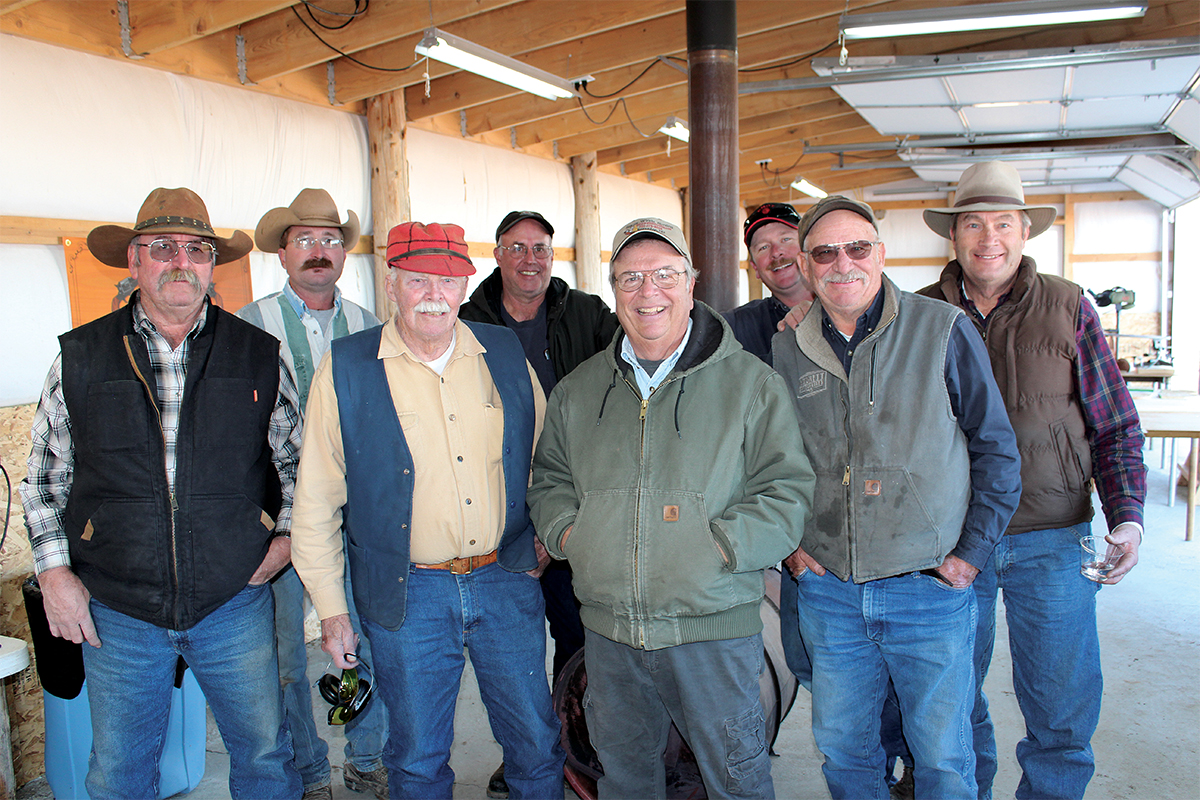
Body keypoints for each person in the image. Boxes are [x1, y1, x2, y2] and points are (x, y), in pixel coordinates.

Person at [19, 187, 303, 799]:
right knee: (119, 773)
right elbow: (44, 479)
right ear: (133, 261)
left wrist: (283, 543)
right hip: (119, 608)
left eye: (196, 249)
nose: (181, 261)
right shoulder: (81, 358)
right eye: (162, 247)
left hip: (233, 600)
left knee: (263, 757)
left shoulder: (258, 356)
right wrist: (55, 575)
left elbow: (299, 465)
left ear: (210, 263)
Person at [529, 217, 815, 799]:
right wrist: (571, 534)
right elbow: (550, 478)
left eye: (664, 274)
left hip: (712, 630)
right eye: (630, 278)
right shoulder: (579, 392)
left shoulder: (749, 384)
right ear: (613, 291)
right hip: (611, 636)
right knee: (627, 780)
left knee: (735, 780)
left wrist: (720, 546)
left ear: (692, 283)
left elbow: (786, 490)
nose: (647, 291)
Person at [290, 221, 566, 799]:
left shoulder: (505, 353)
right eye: (418, 280)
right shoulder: (346, 368)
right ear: (392, 284)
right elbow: (315, 499)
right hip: (408, 591)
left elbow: (551, 458)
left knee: (536, 746)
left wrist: (546, 535)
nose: (434, 294)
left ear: (466, 285)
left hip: (505, 580)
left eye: (447, 280)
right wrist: (333, 611)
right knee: (416, 759)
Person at [773, 195, 1022, 799]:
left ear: (881, 254)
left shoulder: (942, 330)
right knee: (843, 751)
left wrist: (967, 556)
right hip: (831, 593)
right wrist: (793, 550)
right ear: (805, 266)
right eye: (825, 252)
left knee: (941, 755)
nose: (843, 263)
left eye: (857, 247)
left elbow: (997, 451)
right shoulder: (787, 349)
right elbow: (771, 465)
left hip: (928, 590)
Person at [918, 161, 1146, 800]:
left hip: (1052, 538)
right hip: (952, 541)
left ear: (1024, 232)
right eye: (972, 224)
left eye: (1002, 224)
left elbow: (1115, 423)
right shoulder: (918, 314)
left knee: (1061, 702)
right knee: (950, 697)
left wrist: (1125, 514)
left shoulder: (1070, 306)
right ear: (954, 235)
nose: (987, 238)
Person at [459, 209, 619, 798]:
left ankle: (578, 743)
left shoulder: (586, 314)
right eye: (518, 247)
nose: (531, 259)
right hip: (499, 506)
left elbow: (634, 357)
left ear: (554, 256)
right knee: (513, 643)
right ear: (498, 254)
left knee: (578, 631)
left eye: (541, 249)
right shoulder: (467, 320)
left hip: (573, 498)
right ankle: (525, 748)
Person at [235, 188, 386, 800]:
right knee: (284, 656)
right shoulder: (248, 326)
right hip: (279, 519)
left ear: (343, 255)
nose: (318, 251)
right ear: (282, 252)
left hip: (358, 516)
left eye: (329, 240)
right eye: (304, 240)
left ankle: (368, 756)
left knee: (364, 637)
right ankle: (306, 768)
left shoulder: (372, 327)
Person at [723, 202, 815, 364]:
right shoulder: (735, 327)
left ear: (807, 249)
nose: (776, 252)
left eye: (786, 239)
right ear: (755, 268)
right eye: (763, 247)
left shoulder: (843, 308)